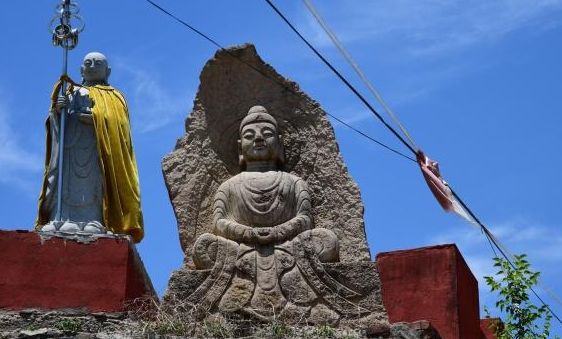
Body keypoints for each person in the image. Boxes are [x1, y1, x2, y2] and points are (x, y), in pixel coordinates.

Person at [36, 51, 144, 243]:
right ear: (81, 69)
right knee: (66, 181)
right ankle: (62, 218)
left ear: (107, 71)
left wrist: (95, 119)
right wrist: (58, 110)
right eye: (88, 63)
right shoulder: (71, 92)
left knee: (95, 183)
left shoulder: (116, 98)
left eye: (97, 63)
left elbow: (119, 127)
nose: (92, 66)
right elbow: (56, 124)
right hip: (71, 148)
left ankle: (95, 219)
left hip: (98, 151)